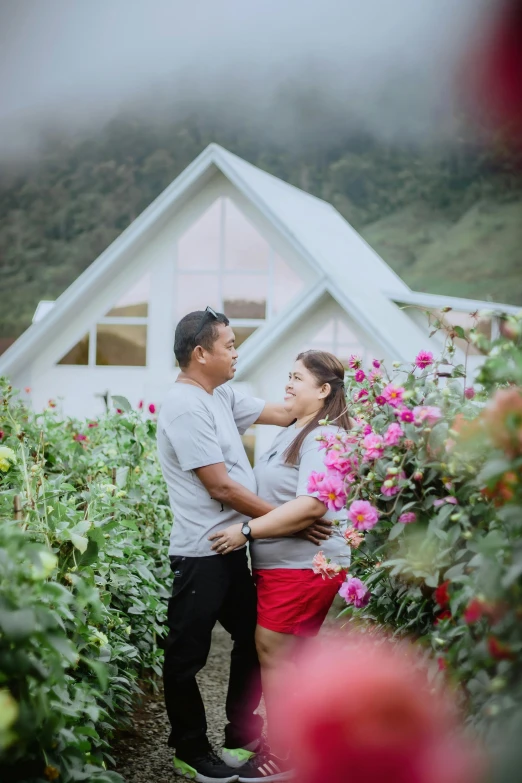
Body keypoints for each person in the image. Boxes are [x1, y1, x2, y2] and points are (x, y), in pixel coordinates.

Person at [156, 308, 329, 783]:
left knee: (254, 638)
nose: (237, 352)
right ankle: (189, 747)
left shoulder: (221, 395)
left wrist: (332, 393)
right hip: (200, 550)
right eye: (229, 345)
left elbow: (290, 412)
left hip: (232, 548)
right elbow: (221, 488)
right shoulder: (183, 405)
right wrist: (285, 522)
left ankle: (240, 735)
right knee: (186, 656)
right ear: (200, 353)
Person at [209, 350, 352, 773]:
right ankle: (307, 746)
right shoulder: (296, 428)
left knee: (273, 651)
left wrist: (246, 531)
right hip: (287, 565)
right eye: (287, 376)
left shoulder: (324, 437)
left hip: (303, 567)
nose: (287, 384)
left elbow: (311, 506)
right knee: (291, 658)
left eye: (297, 379)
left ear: (323, 391)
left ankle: (286, 754)